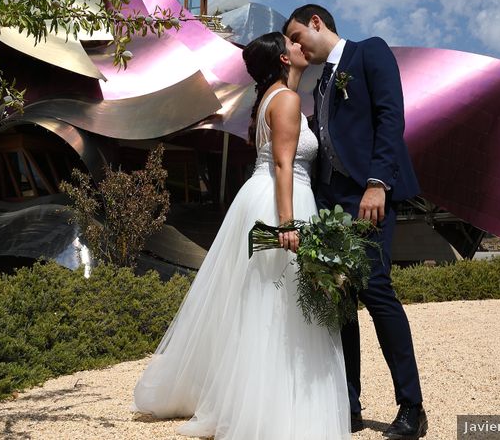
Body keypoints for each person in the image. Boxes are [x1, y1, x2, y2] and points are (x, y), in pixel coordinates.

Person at [132, 31, 350, 439]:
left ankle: (253, 396)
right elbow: (284, 165)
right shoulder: (285, 100)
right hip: (280, 201)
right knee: (277, 303)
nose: (302, 46)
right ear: (284, 59)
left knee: (261, 300)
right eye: (293, 43)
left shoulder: (271, 97)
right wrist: (287, 224)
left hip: (265, 196)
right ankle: (273, 408)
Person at [284, 4, 428, 440]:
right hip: (333, 202)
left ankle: (412, 407)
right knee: (340, 299)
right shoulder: (323, 81)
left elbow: (390, 116)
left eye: (295, 36)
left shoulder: (369, 52)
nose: (294, 46)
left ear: (315, 23)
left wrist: (378, 182)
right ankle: (349, 404)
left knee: (376, 288)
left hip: (369, 195)